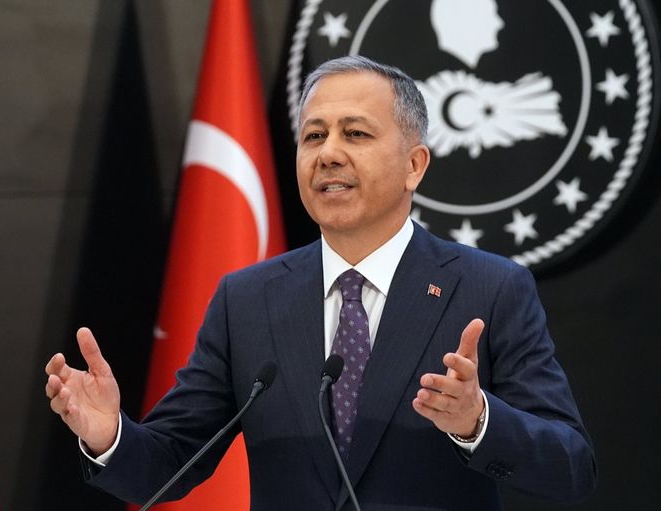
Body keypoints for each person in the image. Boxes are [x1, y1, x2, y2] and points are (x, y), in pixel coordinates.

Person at [45, 55, 597, 510]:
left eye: (355, 133)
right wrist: (108, 436)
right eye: (314, 136)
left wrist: (478, 422)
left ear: (414, 165)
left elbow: (571, 469)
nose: (329, 153)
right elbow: (167, 464)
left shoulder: (490, 289)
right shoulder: (247, 300)